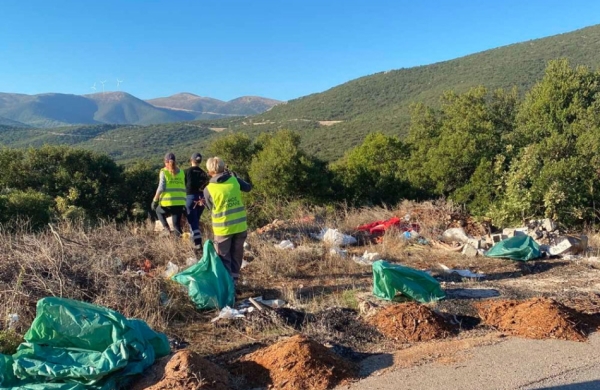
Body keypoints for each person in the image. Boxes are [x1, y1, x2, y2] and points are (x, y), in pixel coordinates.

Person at [203, 157, 251, 284]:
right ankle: (234, 282)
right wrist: (235, 176)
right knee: (237, 255)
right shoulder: (234, 180)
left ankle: (228, 286)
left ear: (209, 172)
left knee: (224, 258)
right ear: (224, 168)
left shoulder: (208, 189)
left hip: (223, 229)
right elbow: (248, 188)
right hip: (240, 226)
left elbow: (210, 207)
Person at [151, 152, 186, 236]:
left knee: (158, 211)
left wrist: (155, 200)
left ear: (165, 162)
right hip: (180, 201)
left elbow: (161, 187)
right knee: (176, 225)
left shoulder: (164, 171)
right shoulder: (181, 172)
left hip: (168, 202)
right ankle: (179, 246)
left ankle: (166, 229)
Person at [184, 153, 209, 254]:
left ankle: (197, 244)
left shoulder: (187, 172)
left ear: (191, 160)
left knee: (192, 222)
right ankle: (195, 242)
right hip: (201, 199)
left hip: (190, 198)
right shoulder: (204, 173)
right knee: (196, 221)